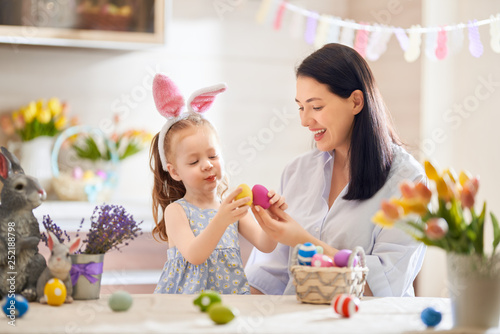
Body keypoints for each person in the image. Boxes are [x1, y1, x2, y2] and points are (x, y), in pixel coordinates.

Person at [245, 43, 426, 297]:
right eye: (301, 107)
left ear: (355, 101)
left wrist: (303, 241)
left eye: (316, 107)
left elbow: (382, 284)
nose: (305, 120)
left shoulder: (408, 181)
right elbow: (268, 278)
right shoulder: (297, 172)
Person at [149, 74, 285, 294]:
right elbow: (194, 255)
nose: (207, 165)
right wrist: (222, 218)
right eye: (194, 161)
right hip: (185, 304)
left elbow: (266, 245)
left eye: (213, 156)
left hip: (228, 300)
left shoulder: (232, 207)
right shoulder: (177, 211)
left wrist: (270, 216)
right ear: (174, 171)